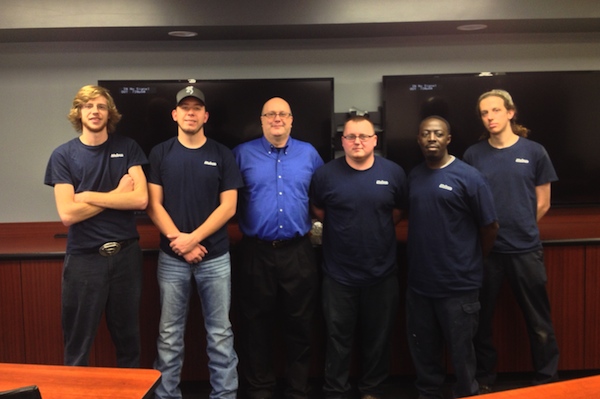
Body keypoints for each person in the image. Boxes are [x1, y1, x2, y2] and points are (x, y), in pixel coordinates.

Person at [145, 86, 242, 399]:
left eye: (196, 107)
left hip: (214, 258)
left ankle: (224, 395)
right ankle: (166, 395)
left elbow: (228, 207)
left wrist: (193, 239)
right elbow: (153, 204)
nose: (190, 112)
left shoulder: (222, 154)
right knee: (169, 335)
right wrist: (180, 242)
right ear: (175, 114)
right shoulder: (160, 153)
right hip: (171, 259)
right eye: (184, 107)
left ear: (205, 115)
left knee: (220, 334)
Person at [44, 84, 148, 367]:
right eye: (88, 106)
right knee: (78, 345)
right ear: (78, 112)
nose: (95, 111)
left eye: (101, 106)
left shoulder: (127, 148)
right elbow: (67, 214)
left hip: (126, 257)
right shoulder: (63, 156)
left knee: (129, 342)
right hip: (85, 259)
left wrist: (88, 196)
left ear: (109, 113)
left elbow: (140, 199)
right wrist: (116, 195)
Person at [463, 89, 560, 391]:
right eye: (484, 113)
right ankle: (485, 379)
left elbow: (542, 202)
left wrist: (522, 226)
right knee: (481, 322)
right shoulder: (473, 155)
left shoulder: (534, 151)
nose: (489, 117)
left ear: (510, 112)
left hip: (526, 250)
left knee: (539, 322)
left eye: (495, 110)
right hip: (487, 253)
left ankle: (547, 378)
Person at [232, 97, 324, 399]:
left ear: (291, 120)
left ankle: (297, 388)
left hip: (298, 251)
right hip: (255, 252)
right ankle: (260, 388)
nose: (277, 119)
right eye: (270, 114)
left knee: (300, 324)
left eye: (282, 114)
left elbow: (322, 197)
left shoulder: (309, 154)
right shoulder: (241, 155)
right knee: (255, 325)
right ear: (261, 120)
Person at [310, 115, 407, 399]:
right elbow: (318, 210)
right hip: (338, 275)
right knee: (337, 339)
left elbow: (398, 212)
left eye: (364, 136)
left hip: (382, 274)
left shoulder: (394, 173)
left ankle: (371, 391)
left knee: (378, 340)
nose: (357, 142)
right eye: (351, 136)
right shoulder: (325, 175)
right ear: (343, 141)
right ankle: (335, 391)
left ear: (375, 140)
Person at [405, 116, 498, 398]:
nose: (431, 138)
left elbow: (490, 226)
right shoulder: (414, 176)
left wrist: (472, 259)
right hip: (420, 286)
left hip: (459, 286)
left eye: (438, 133)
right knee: (424, 354)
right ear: (419, 139)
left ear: (448, 139)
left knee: (462, 356)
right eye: (425, 134)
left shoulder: (470, 177)